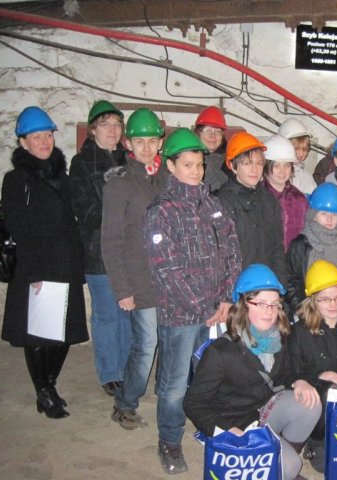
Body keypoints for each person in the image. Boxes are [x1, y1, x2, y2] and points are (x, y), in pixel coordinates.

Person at [144, 128, 242, 474]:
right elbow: (166, 270)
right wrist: (205, 308)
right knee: (173, 386)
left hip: (217, 311)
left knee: (209, 379)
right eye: (187, 164)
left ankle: (207, 427)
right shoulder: (161, 212)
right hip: (181, 316)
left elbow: (232, 250)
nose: (196, 171)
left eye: (199, 164)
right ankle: (169, 442)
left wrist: (226, 299)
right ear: (170, 166)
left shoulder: (212, 204)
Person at [183, 264, 322, 480]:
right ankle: (277, 465)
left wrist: (299, 380)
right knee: (292, 466)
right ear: (243, 305)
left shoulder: (279, 337)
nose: (269, 311)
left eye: (274, 304)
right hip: (235, 424)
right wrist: (225, 430)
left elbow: (286, 374)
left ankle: (275, 465)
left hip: (263, 413)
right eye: (261, 303)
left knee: (310, 402)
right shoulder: (220, 352)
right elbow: (193, 403)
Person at [2, 106, 88, 419]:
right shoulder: (16, 180)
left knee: (64, 332)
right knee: (39, 334)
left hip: (65, 264)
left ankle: (49, 385)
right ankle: (44, 392)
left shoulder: (61, 178)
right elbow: (18, 227)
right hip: (37, 266)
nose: (44, 141)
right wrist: (33, 272)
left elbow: (71, 222)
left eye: (48, 135)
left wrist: (79, 263)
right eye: (36, 137)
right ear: (23, 142)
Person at [102, 107, 169, 429]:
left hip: (170, 279)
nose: (146, 147)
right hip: (140, 280)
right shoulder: (120, 185)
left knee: (168, 343)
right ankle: (125, 404)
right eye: (139, 141)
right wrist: (122, 289)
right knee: (145, 346)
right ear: (128, 143)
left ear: (160, 142)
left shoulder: (168, 177)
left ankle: (164, 394)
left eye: (152, 140)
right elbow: (111, 241)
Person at [69, 100, 131, 397]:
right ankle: (110, 372)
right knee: (107, 315)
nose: (112, 130)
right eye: (105, 124)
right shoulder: (81, 164)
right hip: (99, 250)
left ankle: (127, 369)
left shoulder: (129, 160)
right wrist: (122, 217)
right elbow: (84, 209)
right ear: (93, 129)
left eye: (117, 124)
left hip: (129, 251)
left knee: (128, 314)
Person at [288, 260, 337, 473]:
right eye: (325, 299)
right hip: (315, 402)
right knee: (330, 390)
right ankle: (316, 442)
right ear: (313, 300)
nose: (333, 304)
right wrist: (324, 374)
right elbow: (294, 372)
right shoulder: (299, 332)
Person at [216, 132, 288, 285]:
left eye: (259, 163)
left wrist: (280, 285)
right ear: (233, 166)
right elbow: (220, 255)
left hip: (266, 284)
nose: (254, 169)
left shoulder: (269, 200)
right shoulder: (223, 202)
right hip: (237, 286)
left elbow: (277, 247)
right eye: (247, 163)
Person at [285, 182, 337, 318]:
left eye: (334, 214)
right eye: (324, 213)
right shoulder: (299, 245)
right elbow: (290, 279)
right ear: (313, 214)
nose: (329, 219)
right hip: (306, 311)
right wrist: (301, 308)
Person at [263, 134, 308, 250]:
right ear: (266, 166)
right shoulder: (257, 197)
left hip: (294, 259)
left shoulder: (299, 199)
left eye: (287, 165)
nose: (282, 171)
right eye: (276, 165)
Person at [193, 105, 229, 193]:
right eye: (208, 131)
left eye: (217, 131)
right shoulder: (189, 159)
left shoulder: (230, 161)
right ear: (198, 133)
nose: (213, 136)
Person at [278, 117, 317, 195]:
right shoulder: (271, 173)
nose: (301, 154)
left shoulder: (306, 178)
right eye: (296, 148)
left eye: (305, 149)